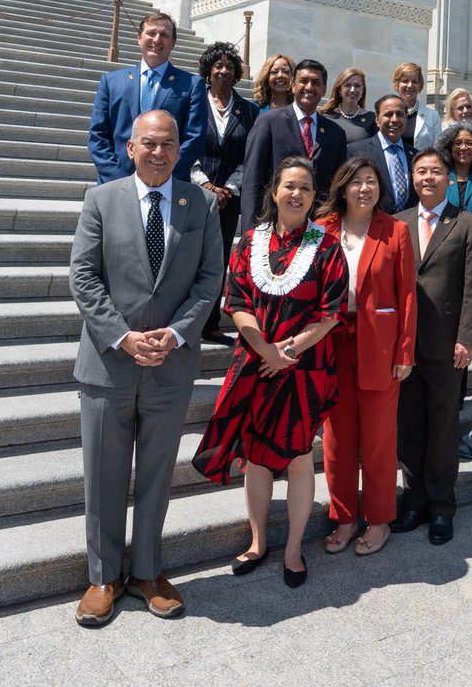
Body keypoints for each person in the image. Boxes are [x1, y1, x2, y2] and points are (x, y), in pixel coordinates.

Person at [69, 111, 223, 627]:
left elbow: (208, 280)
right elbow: (84, 277)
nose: (159, 152)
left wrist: (176, 334)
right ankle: (103, 576)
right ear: (131, 147)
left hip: (170, 366)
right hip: (109, 365)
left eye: (169, 144)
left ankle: (148, 572)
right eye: (150, 144)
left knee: (157, 476)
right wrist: (124, 337)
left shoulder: (199, 202)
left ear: (181, 150)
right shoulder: (101, 200)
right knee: (104, 476)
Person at [192, 156, 347, 588]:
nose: (297, 194)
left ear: (315, 198)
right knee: (256, 458)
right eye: (290, 186)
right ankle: (259, 541)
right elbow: (236, 302)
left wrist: (288, 351)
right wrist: (264, 349)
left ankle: (294, 548)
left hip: (305, 368)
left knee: (298, 460)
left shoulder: (327, 245)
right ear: (274, 192)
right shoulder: (248, 243)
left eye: (306, 188)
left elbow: (332, 312)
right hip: (256, 363)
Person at [317, 157, 417, 556]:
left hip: (379, 344)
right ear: (342, 187)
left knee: (378, 439)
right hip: (331, 343)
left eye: (371, 181)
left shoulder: (395, 231)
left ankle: (378, 520)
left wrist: (405, 351)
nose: (364, 188)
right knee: (337, 440)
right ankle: (343, 518)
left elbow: (408, 294)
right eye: (356, 181)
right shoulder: (322, 229)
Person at [391, 149, 472, 545]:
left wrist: (467, 337)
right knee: (409, 429)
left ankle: (443, 508)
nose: (428, 177)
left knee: (444, 430)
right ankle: (414, 502)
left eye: (435, 172)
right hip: (404, 346)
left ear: (448, 179)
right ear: (412, 178)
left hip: (448, 346)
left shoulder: (468, 223)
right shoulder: (396, 224)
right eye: (421, 171)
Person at [190, 41, 260, 344]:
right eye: (218, 66)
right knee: (189, 257)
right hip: (193, 195)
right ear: (208, 70)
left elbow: (251, 154)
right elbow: (184, 146)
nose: (224, 71)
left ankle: (210, 322)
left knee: (218, 259)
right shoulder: (193, 103)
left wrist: (228, 188)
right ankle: (186, 319)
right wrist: (205, 185)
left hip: (228, 199)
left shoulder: (249, 110)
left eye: (229, 67)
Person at [88, 11, 207, 183]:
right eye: (151, 33)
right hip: (115, 184)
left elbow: (194, 139)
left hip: (168, 186)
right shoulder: (111, 82)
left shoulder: (192, 84)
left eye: (164, 35)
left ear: (173, 42)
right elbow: (97, 136)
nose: (157, 40)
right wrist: (121, 179)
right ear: (139, 38)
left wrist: (161, 177)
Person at [239, 58, 347, 230]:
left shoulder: (336, 133)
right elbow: (252, 178)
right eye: (303, 81)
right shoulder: (268, 122)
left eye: (316, 82)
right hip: (274, 225)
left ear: (324, 89)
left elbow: (338, 187)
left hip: (316, 229)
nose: (309, 87)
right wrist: (250, 231)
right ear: (293, 85)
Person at [348, 93, 417, 213]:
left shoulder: (415, 155)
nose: (394, 120)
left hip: (408, 226)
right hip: (371, 224)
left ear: (406, 118)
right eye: (388, 114)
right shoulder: (356, 151)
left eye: (400, 114)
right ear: (377, 120)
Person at [392, 61, 442, 150]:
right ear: (397, 85)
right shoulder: (387, 113)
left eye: (414, 82)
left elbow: (438, 150)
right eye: (405, 81)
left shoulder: (432, 116)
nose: (410, 85)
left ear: (420, 86)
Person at [320, 66, 378, 142]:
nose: (353, 90)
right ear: (340, 90)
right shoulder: (324, 116)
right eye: (348, 85)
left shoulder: (372, 119)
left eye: (357, 86)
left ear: (362, 89)